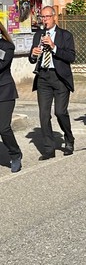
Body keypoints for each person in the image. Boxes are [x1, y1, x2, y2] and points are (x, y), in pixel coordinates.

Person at [29, 6, 76, 160]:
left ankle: (69, 138)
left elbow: (71, 57)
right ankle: (49, 148)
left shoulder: (65, 35)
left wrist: (54, 47)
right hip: (43, 77)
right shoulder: (38, 35)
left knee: (60, 112)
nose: (45, 20)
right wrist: (33, 54)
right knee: (43, 115)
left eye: (47, 17)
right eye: (42, 17)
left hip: (60, 77)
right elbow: (32, 59)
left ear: (54, 17)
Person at [0, 22, 22, 173]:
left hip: (4, 92)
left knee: (3, 127)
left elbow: (1, 65)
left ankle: (15, 154)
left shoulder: (7, 46)